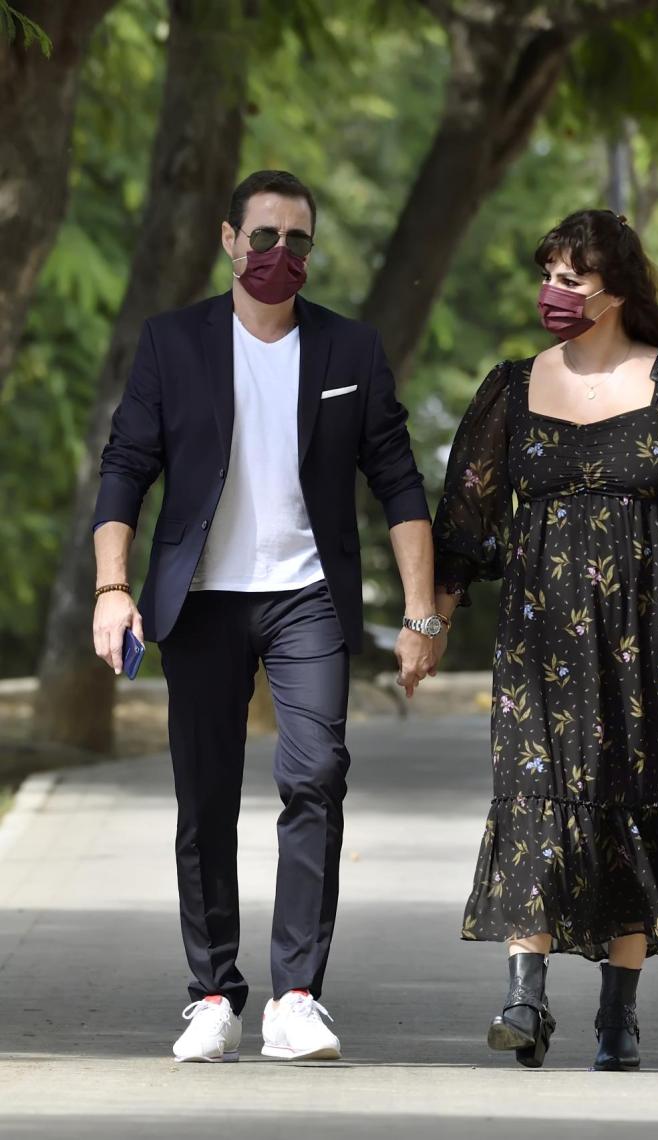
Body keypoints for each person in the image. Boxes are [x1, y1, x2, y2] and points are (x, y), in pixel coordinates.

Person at [91, 169, 445, 1063]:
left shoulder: (349, 351)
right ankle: (212, 994)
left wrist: (418, 615)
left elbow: (398, 482)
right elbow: (126, 466)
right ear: (228, 239)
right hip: (200, 601)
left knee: (315, 772)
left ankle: (294, 995)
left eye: (297, 242)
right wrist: (112, 587)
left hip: (308, 599)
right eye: (264, 238)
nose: (279, 255)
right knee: (205, 798)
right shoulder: (173, 344)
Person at [430, 208, 658, 1070]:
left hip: (649, 635)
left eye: (570, 279)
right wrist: (428, 623)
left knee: (632, 804)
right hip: (537, 642)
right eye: (546, 274)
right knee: (533, 796)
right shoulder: (510, 387)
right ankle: (523, 997)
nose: (553, 292)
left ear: (613, 290)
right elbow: (464, 519)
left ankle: (617, 1018)